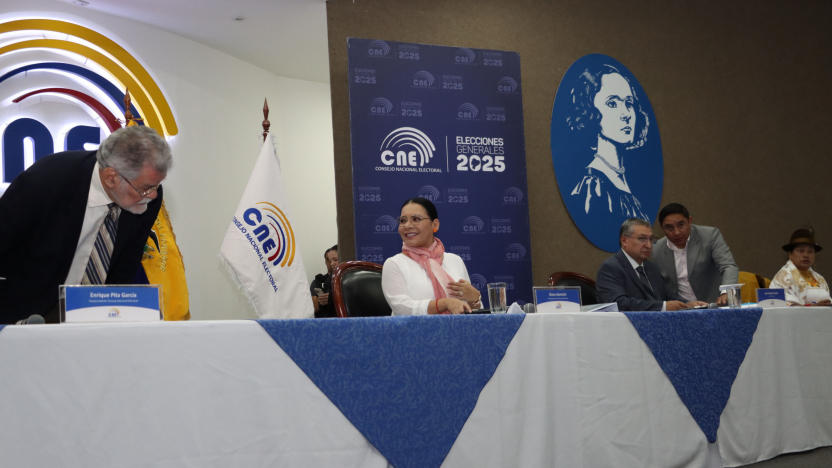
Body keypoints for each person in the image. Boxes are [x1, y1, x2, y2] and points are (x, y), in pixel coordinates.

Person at [0, 126, 170, 324]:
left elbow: (126, 263)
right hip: (25, 307)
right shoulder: (46, 181)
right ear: (111, 177)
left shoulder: (146, 198)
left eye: (156, 185)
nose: (153, 195)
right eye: (146, 188)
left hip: (92, 311)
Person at [567, 64, 650, 225]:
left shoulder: (626, 179)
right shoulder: (593, 186)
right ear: (590, 112)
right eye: (612, 103)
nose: (626, 114)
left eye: (629, 103)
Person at [382, 198, 481, 315]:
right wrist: (444, 304)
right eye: (403, 220)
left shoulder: (455, 260)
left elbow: (471, 312)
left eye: (416, 219)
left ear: (435, 224)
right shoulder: (394, 264)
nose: (407, 225)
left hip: (459, 327)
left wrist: (475, 299)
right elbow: (402, 309)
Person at [596, 218, 708, 311]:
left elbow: (669, 296)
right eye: (642, 239)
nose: (649, 245)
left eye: (651, 239)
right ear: (624, 240)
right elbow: (619, 304)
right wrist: (663, 307)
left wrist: (689, 304)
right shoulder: (611, 268)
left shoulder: (652, 268)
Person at [651, 203, 739, 305]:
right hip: (683, 308)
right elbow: (662, 286)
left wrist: (726, 292)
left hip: (716, 304)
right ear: (662, 228)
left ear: (689, 221)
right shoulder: (656, 250)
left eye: (681, 225)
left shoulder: (710, 236)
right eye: (669, 228)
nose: (677, 232)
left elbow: (728, 266)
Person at [770, 228, 831, 306]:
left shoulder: (819, 278)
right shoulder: (783, 277)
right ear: (790, 254)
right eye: (800, 251)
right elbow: (784, 305)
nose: (806, 255)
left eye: (810, 251)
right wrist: (815, 306)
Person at [310, 245, 338, 318]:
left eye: (335, 259)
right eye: (330, 261)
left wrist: (332, 297)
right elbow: (315, 307)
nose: (332, 264)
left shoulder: (353, 276)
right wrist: (322, 301)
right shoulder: (321, 281)